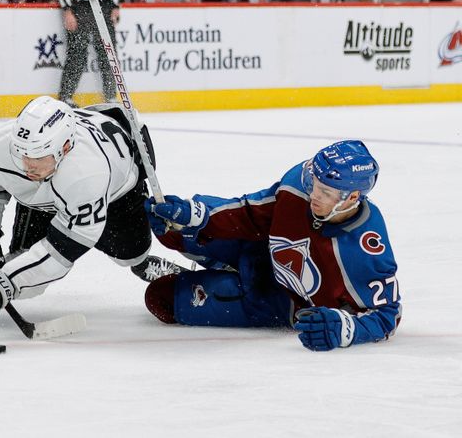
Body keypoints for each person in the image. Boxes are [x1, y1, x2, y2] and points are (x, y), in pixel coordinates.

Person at [0, 96, 181, 325]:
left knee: (131, 253)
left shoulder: (87, 175)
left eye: (37, 156)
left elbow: (59, 254)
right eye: (22, 153)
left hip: (117, 193)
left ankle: (141, 264)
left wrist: (2, 285)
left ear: (65, 148)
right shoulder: (1, 146)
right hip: (47, 194)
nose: (26, 166)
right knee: (25, 267)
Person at [143, 140, 401, 352]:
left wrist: (344, 329)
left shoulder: (365, 249)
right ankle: (216, 264)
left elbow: (387, 314)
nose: (313, 196)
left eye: (324, 192)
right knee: (175, 230)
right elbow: (251, 213)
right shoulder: (300, 184)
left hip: (275, 300)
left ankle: (196, 275)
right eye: (314, 185)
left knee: (161, 298)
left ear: (352, 197)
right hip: (259, 248)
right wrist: (196, 214)